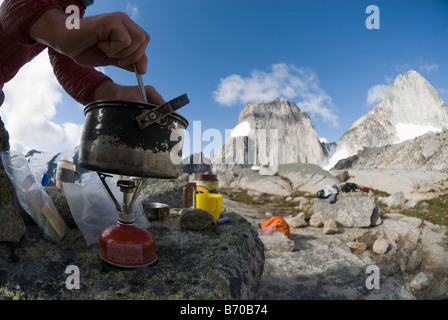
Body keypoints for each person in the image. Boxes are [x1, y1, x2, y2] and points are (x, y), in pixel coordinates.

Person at [0, 0, 165, 108]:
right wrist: (59, 30)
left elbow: (67, 62)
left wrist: (115, 94)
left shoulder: (74, 10)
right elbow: (13, 8)